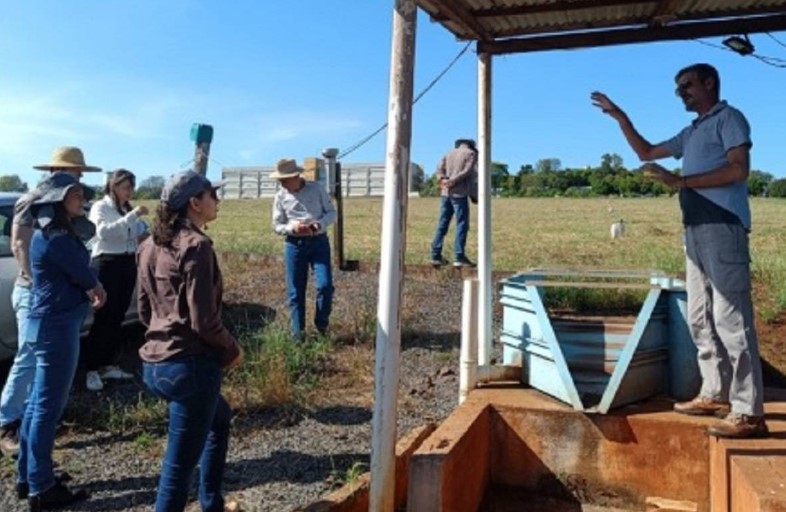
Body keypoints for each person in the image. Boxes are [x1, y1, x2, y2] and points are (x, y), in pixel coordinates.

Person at [591, 63, 767, 438]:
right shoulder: (693, 131)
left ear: (709, 83)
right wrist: (620, 117)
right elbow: (647, 151)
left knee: (731, 318)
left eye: (686, 85)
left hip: (723, 226)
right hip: (695, 229)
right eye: (678, 88)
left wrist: (680, 180)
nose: (680, 93)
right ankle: (715, 393)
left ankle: (749, 412)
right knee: (700, 317)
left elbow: (738, 171)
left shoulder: (729, 119)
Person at [137, 170, 243, 512]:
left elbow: (144, 309)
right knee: (176, 471)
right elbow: (204, 322)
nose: (218, 200)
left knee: (219, 417)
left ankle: (212, 502)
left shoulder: (149, 245)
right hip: (190, 369)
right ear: (195, 203)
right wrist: (232, 349)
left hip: (155, 366)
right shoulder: (196, 246)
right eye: (213, 194)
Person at [0, 146, 100, 456]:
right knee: (29, 356)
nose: (79, 178)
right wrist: (37, 281)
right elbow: (19, 243)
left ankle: (33, 429)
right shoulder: (33, 201)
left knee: (38, 361)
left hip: (42, 289)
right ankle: (8, 423)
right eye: (75, 172)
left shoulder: (55, 203)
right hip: (35, 290)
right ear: (59, 172)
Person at [17, 173, 106, 510]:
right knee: (47, 408)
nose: (82, 199)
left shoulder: (50, 234)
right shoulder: (57, 238)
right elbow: (86, 274)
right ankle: (42, 486)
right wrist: (96, 286)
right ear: (58, 199)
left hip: (48, 323)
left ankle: (29, 475)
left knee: (37, 404)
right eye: (76, 194)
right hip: (57, 325)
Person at [83, 169, 149, 392]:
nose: (130, 192)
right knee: (104, 317)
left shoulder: (125, 209)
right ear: (114, 186)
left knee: (117, 316)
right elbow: (103, 233)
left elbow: (134, 233)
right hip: (107, 263)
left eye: (132, 187)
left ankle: (107, 364)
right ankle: (91, 369)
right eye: (126, 187)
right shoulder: (100, 207)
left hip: (126, 262)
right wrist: (132, 217)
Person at [271, 158, 336, 339]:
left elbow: (332, 212)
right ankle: (298, 336)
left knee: (325, 285)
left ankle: (322, 326)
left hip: (318, 242)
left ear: (296, 176)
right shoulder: (280, 196)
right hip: (294, 244)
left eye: (284, 179)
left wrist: (319, 225)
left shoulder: (316, 189)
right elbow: (276, 225)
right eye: (280, 180)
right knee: (295, 292)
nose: (281, 183)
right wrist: (292, 228)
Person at [430, 138, 477, 268]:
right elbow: (468, 172)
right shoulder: (471, 154)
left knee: (442, 223)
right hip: (459, 193)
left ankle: (435, 255)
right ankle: (459, 256)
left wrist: (443, 179)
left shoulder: (448, 153)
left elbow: (439, 169)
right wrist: (455, 181)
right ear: (471, 145)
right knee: (462, 224)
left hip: (445, 193)